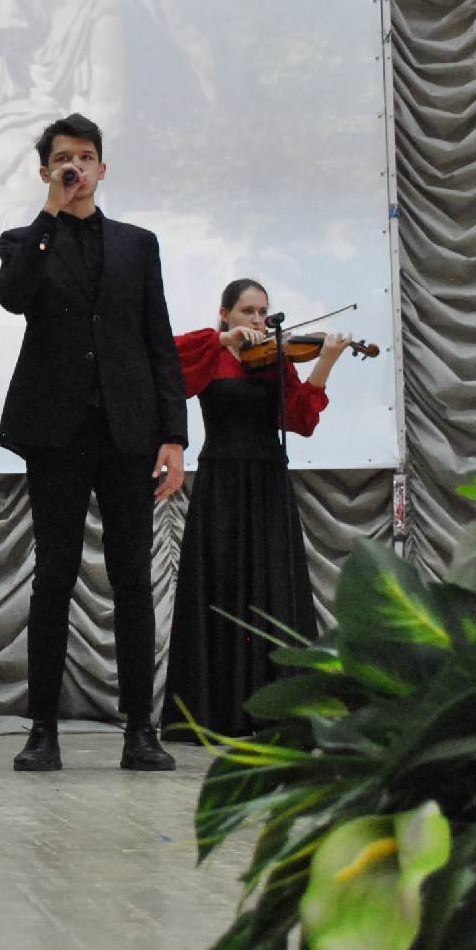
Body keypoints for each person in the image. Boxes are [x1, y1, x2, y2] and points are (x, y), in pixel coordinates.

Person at [0, 113, 189, 773]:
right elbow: (13, 297)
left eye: (84, 156)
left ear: (103, 167)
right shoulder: (24, 240)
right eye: (62, 159)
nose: (75, 166)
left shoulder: (138, 244)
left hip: (128, 430)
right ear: (45, 170)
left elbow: (158, 340)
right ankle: (42, 729)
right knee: (55, 575)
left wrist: (173, 435)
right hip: (56, 432)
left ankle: (141, 730)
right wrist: (51, 211)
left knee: (132, 578)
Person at [163, 280, 350, 741]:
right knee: (220, 586)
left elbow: (300, 420)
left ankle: (278, 714)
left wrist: (325, 362)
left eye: (263, 312)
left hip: (268, 482)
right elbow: (164, 359)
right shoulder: (211, 351)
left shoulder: (275, 359)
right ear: (225, 312)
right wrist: (222, 339)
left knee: (274, 589)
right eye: (248, 311)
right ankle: (212, 713)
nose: (258, 320)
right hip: (221, 481)